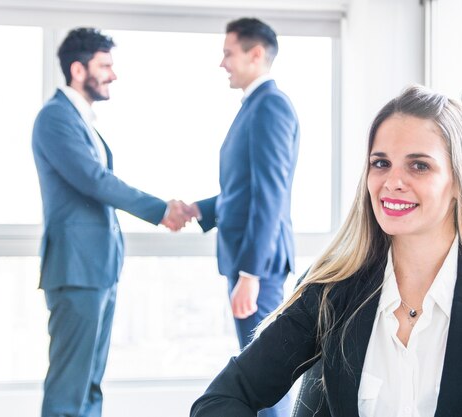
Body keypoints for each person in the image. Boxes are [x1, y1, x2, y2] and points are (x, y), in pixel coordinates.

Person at [190, 85, 462, 417]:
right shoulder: (334, 292)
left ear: (459, 182)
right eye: (381, 163)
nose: (392, 181)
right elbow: (223, 397)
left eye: (419, 165)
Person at [32, 27, 196, 417]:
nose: (113, 74)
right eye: (104, 65)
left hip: (98, 269)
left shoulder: (81, 119)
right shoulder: (55, 117)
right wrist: (161, 210)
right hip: (76, 270)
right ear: (77, 69)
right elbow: (94, 180)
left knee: (89, 383)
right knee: (69, 387)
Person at [191, 17, 299, 417]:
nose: (223, 63)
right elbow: (245, 192)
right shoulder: (255, 105)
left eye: (228, 53)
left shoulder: (270, 105)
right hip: (252, 263)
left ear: (256, 54)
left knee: (263, 377)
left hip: (260, 267)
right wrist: (200, 210)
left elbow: (270, 194)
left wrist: (250, 274)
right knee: (256, 371)